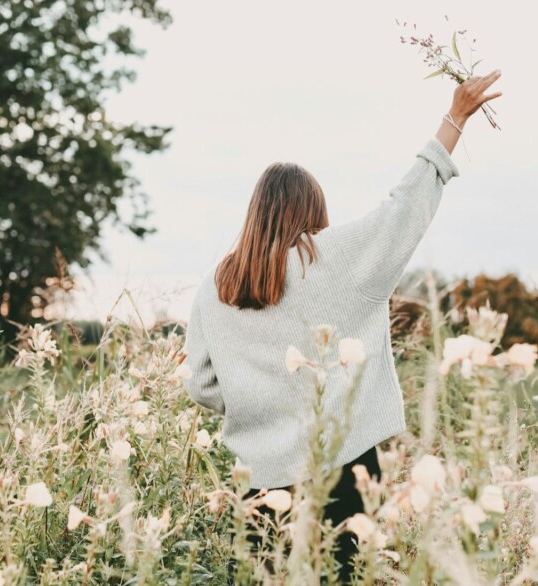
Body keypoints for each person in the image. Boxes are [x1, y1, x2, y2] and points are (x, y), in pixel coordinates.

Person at [182, 70, 503, 583]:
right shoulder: (339, 260)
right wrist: (455, 118)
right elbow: (406, 206)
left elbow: (200, 384)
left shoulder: (215, 286)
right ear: (314, 210)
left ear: (254, 214)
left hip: (259, 486)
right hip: (345, 476)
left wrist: (256, 400)